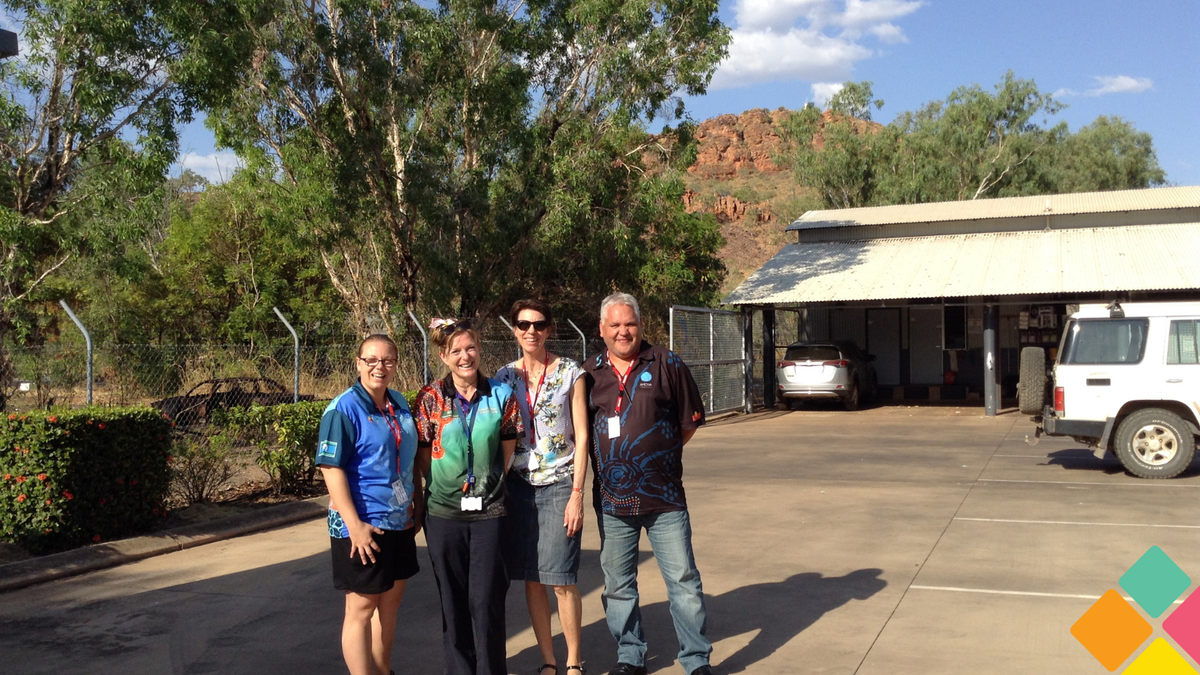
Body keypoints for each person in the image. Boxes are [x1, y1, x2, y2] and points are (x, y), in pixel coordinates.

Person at [586, 293, 714, 675]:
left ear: (640, 325)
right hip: (612, 501)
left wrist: (658, 454)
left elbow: (688, 423)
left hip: (665, 498)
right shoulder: (588, 373)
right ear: (602, 329)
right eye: (615, 325)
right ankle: (630, 655)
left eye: (630, 324)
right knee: (618, 585)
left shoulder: (667, 363)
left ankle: (696, 659)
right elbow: (579, 430)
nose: (623, 331)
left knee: (683, 581)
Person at [415, 319, 522, 675]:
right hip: (443, 516)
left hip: (490, 514)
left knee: (486, 600)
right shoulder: (429, 398)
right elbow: (423, 454)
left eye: (471, 348)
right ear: (443, 356)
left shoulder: (501, 395)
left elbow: (507, 448)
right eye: (457, 351)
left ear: (479, 349)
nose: (465, 356)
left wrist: (485, 483)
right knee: (453, 602)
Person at [316, 334, 421, 675]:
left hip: (399, 520)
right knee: (361, 608)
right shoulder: (343, 409)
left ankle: (383, 669)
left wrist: (416, 504)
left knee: (389, 604)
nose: (380, 367)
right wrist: (355, 526)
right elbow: (330, 468)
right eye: (371, 360)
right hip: (362, 523)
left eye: (388, 360)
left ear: (396, 365)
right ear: (358, 363)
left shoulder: (398, 403)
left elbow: (407, 459)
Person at [496, 300, 590, 675]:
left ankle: (573, 661)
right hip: (518, 486)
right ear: (514, 330)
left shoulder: (570, 372)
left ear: (549, 329)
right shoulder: (504, 376)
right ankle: (548, 661)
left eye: (538, 324)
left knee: (561, 579)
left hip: (559, 483)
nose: (530, 331)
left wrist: (577, 494)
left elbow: (582, 436)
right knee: (533, 579)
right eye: (523, 324)